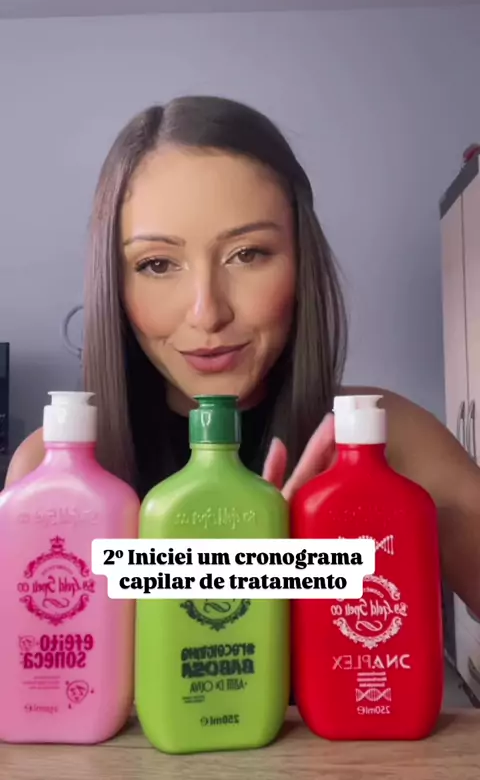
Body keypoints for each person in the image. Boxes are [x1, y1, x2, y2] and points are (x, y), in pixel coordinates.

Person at [5, 95, 480, 618]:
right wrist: (269, 569)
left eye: (248, 254)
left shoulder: (393, 442)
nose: (208, 313)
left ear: (301, 262)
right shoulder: (47, 473)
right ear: (114, 284)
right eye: (157, 264)